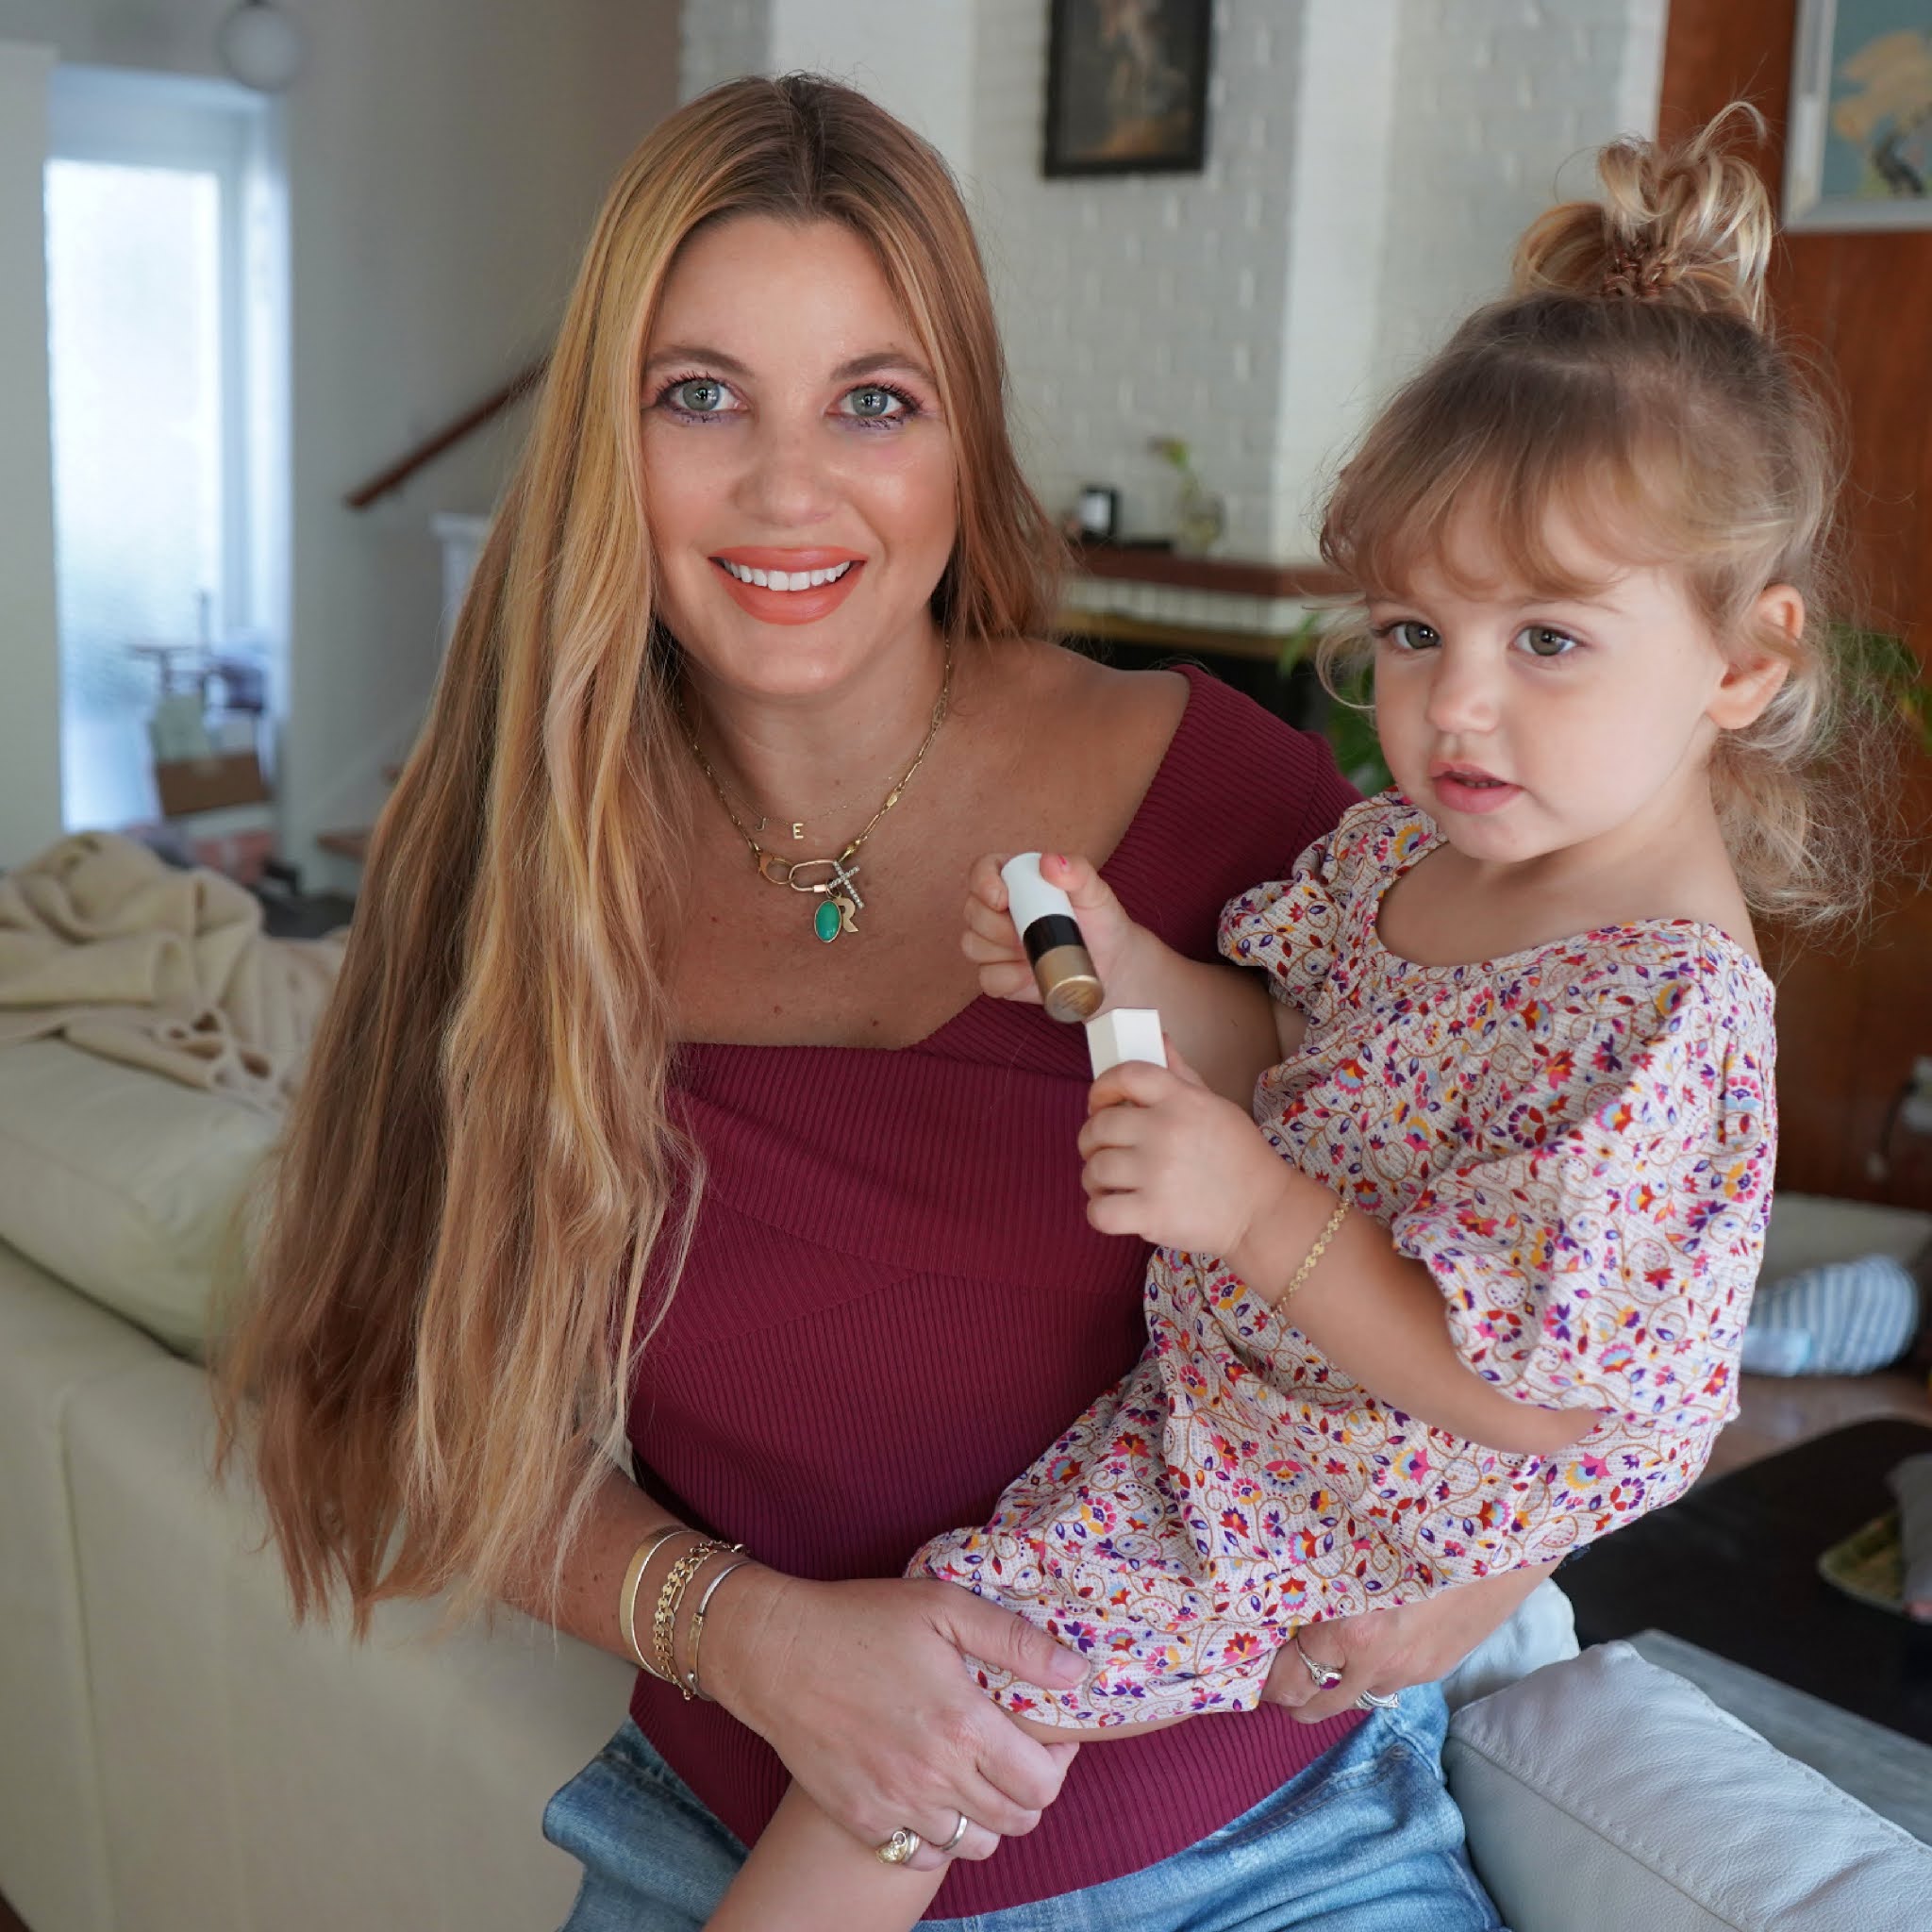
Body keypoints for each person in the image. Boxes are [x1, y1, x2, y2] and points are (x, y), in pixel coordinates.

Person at [211, 75, 1558, 1932]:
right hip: (741, 1851)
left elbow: (1583, 1176)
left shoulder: (1224, 798)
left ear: (959, 436)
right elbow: (376, 1392)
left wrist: (1485, 1574)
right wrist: (746, 1637)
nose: (787, 486)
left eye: (872, 399)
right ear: (610, 436)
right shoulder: (506, 870)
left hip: (1270, 1856)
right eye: (701, 396)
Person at [699, 108, 1884, 1930]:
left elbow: (1519, 1391)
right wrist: (1132, 974)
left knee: (948, 1699)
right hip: (1252, 1415)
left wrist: (1249, 1211)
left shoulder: (1658, 1008)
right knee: (947, 1677)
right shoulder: (1422, 856)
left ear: (1746, 661)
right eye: (1415, 633)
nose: (1458, 711)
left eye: (1548, 642)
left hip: (1351, 1488)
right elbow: (1323, 1056)